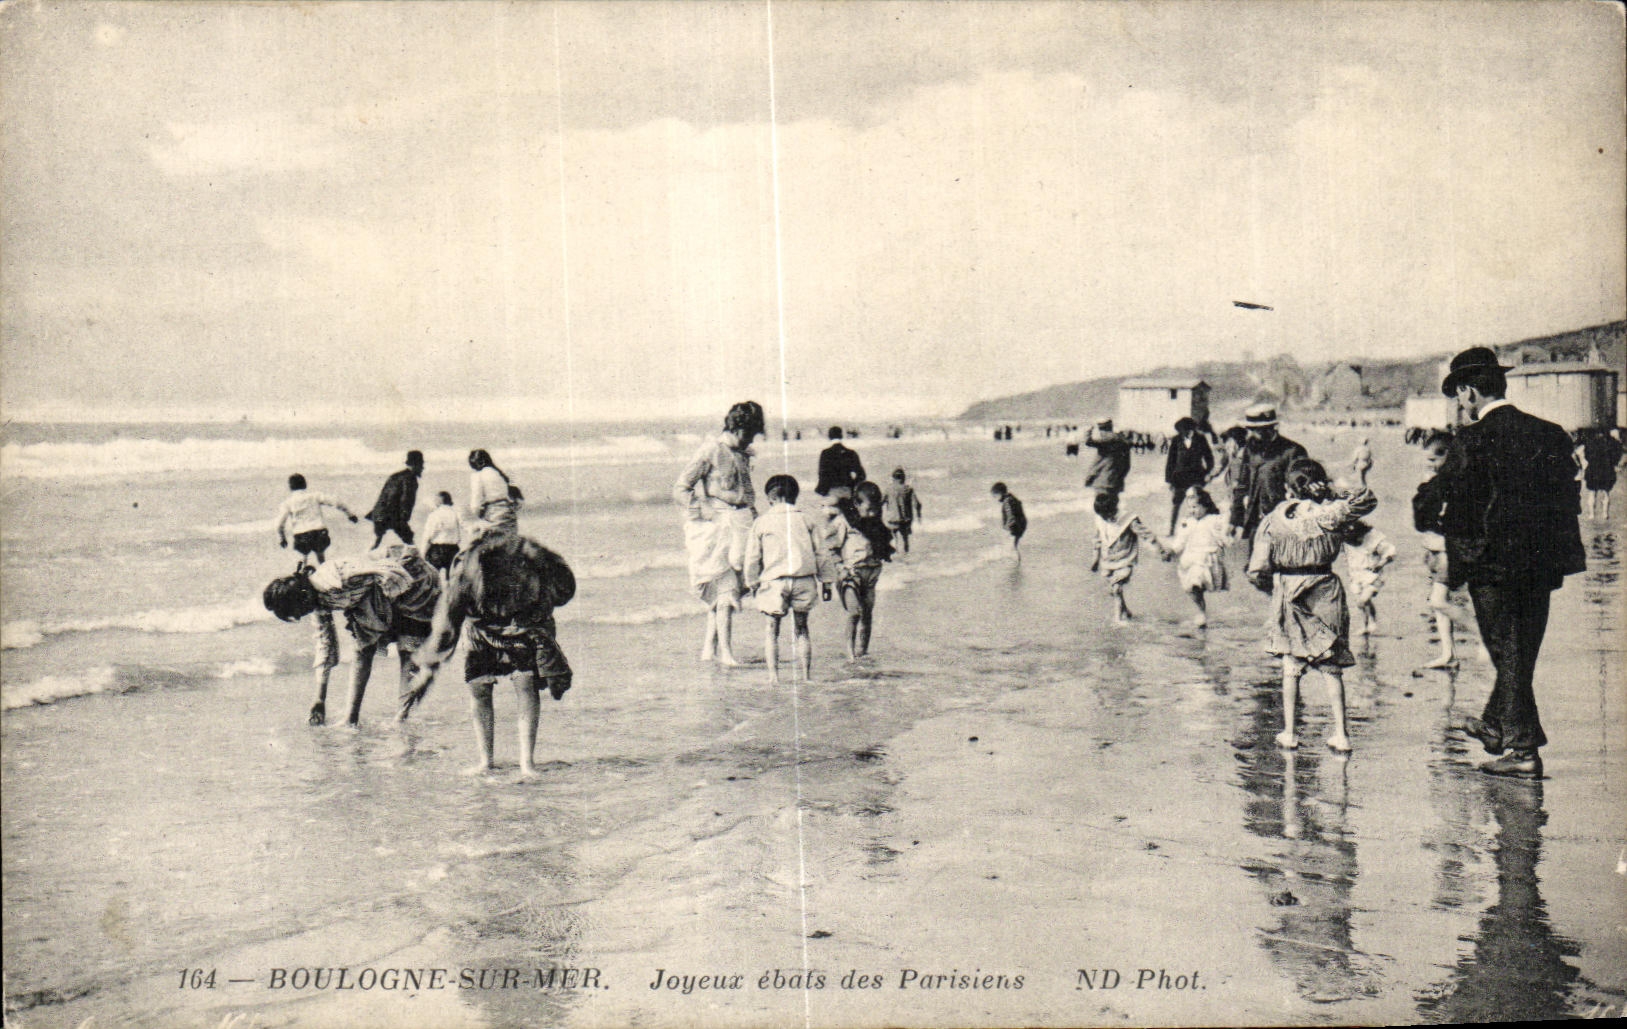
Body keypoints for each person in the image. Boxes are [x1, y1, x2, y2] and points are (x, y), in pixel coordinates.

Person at [1434, 347, 1586, 779]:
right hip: (1541, 563)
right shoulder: (1551, 433)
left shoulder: (1473, 439)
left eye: (1459, 394)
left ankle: (1523, 751)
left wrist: (1448, 551)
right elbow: (1566, 502)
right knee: (1520, 651)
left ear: (1468, 391)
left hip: (1493, 566)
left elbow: (1455, 501)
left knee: (1509, 652)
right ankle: (1496, 724)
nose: (1460, 403)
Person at [399, 530, 576, 780]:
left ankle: (527, 763)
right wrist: (428, 670)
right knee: (478, 688)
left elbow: (565, 587)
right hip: (479, 629)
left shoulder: (531, 558)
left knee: (525, 683)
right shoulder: (467, 574)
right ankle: (485, 761)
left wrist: (541, 626)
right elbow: (446, 625)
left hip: (521, 623)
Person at [1247, 459, 1377, 753]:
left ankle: (1290, 733)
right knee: (1331, 666)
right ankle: (1341, 734)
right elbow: (1367, 499)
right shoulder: (1331, 514)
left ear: (1287, 489)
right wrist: (1333, 488)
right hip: (1325, 588)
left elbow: (1256, 570)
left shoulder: (1272, 519)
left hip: (1288, 590)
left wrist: (1275, 591)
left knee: (1291, 666)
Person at [262, 544, 440, 727]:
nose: (301, 616)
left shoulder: (335, 579)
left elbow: (385, 570)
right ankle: (356, 718)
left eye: (298, 612)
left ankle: (402, 718)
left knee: (407, 650)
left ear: (302, 598)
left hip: (414, 583)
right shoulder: (315, 599)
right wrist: (319, 700)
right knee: (365, 652)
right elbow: (325, 644)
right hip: (381, 598)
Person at [673, 401, 765, 667]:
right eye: (748, 433)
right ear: (737, 427)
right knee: (724, 590)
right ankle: (725, 652)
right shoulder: (711, 450)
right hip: (717, 528)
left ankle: (708, 649)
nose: (750, 439)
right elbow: (681, 487)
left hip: (742, 523)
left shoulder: (744, 453)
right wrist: (700, 512)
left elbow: (747, 495)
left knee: (728, 590)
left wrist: (756, 520)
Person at [743, 474, 839, 684]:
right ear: (795, 497)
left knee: (771, 629)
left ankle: (774, 677)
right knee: (802, 628)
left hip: (774, 581)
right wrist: (827, 581)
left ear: (770, 498)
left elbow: (752, 557)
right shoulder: (806, 519)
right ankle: (806, 676)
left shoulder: (762, 521)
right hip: (804, 579)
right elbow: (822, 553)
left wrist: (751, 582)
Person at [1412, 431, 1478, 669]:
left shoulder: (1455, 481)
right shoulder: (1440, 480)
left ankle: (1485, 636)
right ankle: (1448, 653)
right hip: (1438, 551)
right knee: (1440, 602)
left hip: (1449, 552)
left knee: (1439, 601)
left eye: (1432, 460)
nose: (1429, 465)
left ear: (1448, 455)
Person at [828, 480, 894, 660]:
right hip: (850, 573)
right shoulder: (844, 522)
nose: (872, 513)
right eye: (868, 509)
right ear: (856, 504)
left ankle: (863, 652)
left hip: (871, 574)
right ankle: (850, 654)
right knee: (854, 612)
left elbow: (883, 545)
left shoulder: (876, 524)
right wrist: (839, 567)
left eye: (875, 509)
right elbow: (830, 547)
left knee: (867, 613)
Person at [1231, 404, 1309, 546]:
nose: (1251, 434)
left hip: (1283, 521)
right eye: (1250, 429)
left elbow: (1303, 491)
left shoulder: (1293, 451)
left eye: (1256, 430)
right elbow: (1242, 485)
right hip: (1255, 521)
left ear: (1269, 428)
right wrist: (1235, 519)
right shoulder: (1251, 449)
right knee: (1255, 563)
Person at [1090, 489, 1166, 623]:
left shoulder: (1128, 519)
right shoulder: (1101, 519)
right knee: (1113, 591)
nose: (1107, 519)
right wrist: (1095, 559)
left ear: (1114, 509)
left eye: (1109, 515)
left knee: (1117, 587)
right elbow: (1097, 539)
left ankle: (1118, 620)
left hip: (1125, 559)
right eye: (1103, 517)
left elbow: (1146, 534)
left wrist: (1161, 550)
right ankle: (1126, 612)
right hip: (1107, 560)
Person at [1163, 486, 1229, 627]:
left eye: (1196, 507)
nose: (1192, 510)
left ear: (1205, 505)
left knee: (1196, 582)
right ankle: (1201, 611)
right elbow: (1180, 541)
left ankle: (1201, 613)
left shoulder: (1214, 519)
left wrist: (1225, 541)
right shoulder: (1187, 522)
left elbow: (1224, 534)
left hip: (1207, 560)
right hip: (1190, 560)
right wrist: (1172, 551)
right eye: (1190, 507)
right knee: (1192, 588)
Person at [274, 473, 358, 569]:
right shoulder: (315, 496)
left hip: (301, 535)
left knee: (302, 557)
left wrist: (282, 538)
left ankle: (301, 576)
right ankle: (325, 573)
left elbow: (279, 524)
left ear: (290, 487)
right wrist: (350, 514)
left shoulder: (287, 503)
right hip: (319, 533)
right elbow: (336, 501)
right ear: (305, 484)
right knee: (321, 558)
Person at [1343, 520, 1397, 638]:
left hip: (1374, 575)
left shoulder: (1373, 539)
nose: (1356, 542)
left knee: (1362, 601)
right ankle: (1365, 625)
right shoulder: (1347, 543)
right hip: (1356, 575)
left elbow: (1390, 552)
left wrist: (1381, 563)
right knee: (1365, 602)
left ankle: (1372, 622)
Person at [1163, 417, 1214, 534]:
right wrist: (1169, 480)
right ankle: (1171, 529)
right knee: (1176, 503)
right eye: (1181, 430)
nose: (1183, 432)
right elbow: (1171, 460)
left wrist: (1207, 473)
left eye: (1185, 430)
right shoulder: (1176, 440)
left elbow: (1209, 457)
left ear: (1191, 429)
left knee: (1196, 503)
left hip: (1196, 477)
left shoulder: (1200, 439)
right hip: (1179, 478)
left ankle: (1198, 530)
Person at [367, 450, 423, 547]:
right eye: (421, 465)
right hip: (392, 516)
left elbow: (384, 496)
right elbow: (406, 500)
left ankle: (366, 558)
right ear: (416, 465)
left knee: (376, 541)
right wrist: (404, 518)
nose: (422, 468)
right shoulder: (410, 478)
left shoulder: (395, 476)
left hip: (379, 514)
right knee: (409, 540)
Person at [467, 449, 522, 539]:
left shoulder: (478, 476)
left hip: (493, 516)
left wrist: (477, 514)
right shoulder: (499, 474)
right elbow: (519, 502)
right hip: (509, 516)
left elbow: (475, 503)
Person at [1579, 427, 1623, 519]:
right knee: (1606, 493)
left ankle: (1591, 514)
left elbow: (1587, 455)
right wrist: (1613, 464)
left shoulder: (1591, 442)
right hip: (1607, 469)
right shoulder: (1613, 442)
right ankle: (1605, 514)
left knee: (1592, 493)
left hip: (1593, 469)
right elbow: (1617, 455)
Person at [1083, 418, 1131, 499]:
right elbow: (1127, 465)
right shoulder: (1122, 440)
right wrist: (1121, 477)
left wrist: (1088, 431)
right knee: (1112, 506)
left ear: (1101, 428)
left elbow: (1088, 442)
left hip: (1103, 480)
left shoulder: (1107, 439)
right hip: (1116, 481)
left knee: (1102, 505)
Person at [881, 467, 924, 555]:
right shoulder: (908, 489)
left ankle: (896, 557)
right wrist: (919, 516)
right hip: (905, 520)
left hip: (893, 519)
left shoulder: (889, 489)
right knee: (905, 539)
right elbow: (917, 504)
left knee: (894, 539)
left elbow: (880, 503)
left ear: (893, 478)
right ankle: (905, 555)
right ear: (903, 478)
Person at [815, 426, 866, 499]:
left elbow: (823, 475)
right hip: (847, 491)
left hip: (831, 492)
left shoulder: (826, 453)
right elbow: (861, 475)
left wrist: (822, 490)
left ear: (829, 437)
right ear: (841, 436)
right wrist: (852, 486)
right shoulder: (851, 453)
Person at [420, 491, 462, 575]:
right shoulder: (456, 514)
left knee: (433, 577)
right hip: (454, 550)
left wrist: (422, 554)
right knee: (453, 578)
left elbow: (428, 536)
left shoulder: (434, 515)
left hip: (437, 551)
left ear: (439, 501)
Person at [991, 482, 1026, 562]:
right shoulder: (1012, 498)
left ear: (1000, 494)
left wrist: (1007, 527)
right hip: (1021, 524)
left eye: (995, 496)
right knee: (1013, 545)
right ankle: (1016, 562)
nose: (995, 499)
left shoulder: (1007, 502)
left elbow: (1010, 516)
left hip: (1014, 526)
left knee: (1012, 547)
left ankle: (1016, 564)